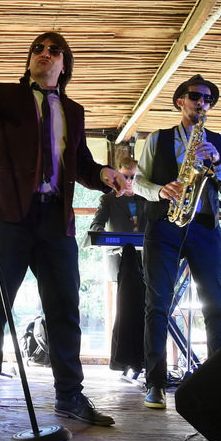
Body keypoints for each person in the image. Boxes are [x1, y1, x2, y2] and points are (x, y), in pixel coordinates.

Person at [0, 32, 128, 427]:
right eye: (37, 49)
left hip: (56, 221)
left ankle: (69, 396)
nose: (44, 54)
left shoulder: (74, 111)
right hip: (8, 215)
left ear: (64, 64)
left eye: (53, 50)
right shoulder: (6, 95)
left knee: (65, 309)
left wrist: (105, 174)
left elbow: (79, 164)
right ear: (30, 61)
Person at [133, 74, 221, 410]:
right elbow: (138, 183)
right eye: (195, 96)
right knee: (157, 305)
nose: (201, 103)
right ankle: (155, 384)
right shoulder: (157, 138)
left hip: (205, 227)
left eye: (207, 99)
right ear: (180, 100)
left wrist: (218, 164)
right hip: (164, 225)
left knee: (216, 307)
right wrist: (160, 190)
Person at [89, 158, 146, 375]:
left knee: (144, 309)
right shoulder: (108, 200)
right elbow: (97, 223)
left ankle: (141, 358)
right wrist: (99, 233)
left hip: (145, 260)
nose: (130, 181)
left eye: (133, 177)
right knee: (125, 309)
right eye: (126, 176)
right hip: (120, 260)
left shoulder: (147, 199)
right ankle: (126, 359)